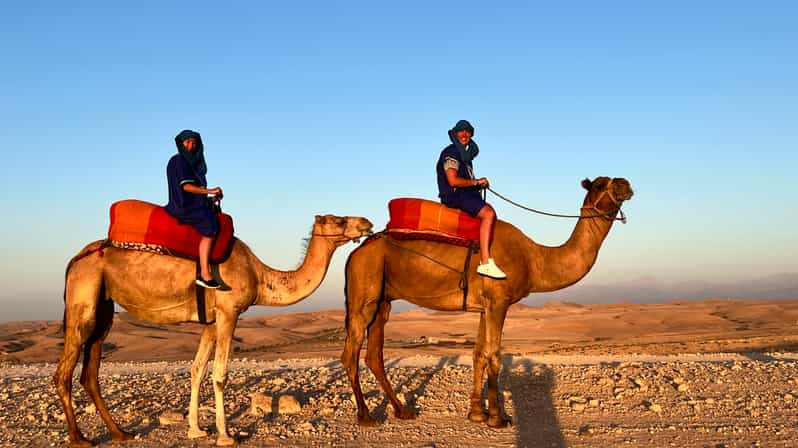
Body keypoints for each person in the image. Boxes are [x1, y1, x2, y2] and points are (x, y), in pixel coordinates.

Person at [436, 120, 506, 279]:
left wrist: (478, 185)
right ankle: (485, 262)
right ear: (455, 134)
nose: (464, 134)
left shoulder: (466, 158)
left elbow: (464, 181)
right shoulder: (452, 152)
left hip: (465, 194)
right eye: (461, 131)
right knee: (488, 214)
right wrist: (476, 182)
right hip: (456, 195)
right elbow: (453, 181)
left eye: (468, 132)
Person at [165, 129, 224, 289]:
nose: (191, 145)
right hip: (184, 206)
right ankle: (205, 273)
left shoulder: (191, 164)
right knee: (211, 227)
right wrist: (210, 190)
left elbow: (195, 191)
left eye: (194, 142)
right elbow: (187, 187)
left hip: (193, 204)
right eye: (187, 142)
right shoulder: (179, 161)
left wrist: (212, 198)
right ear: (181, 144)